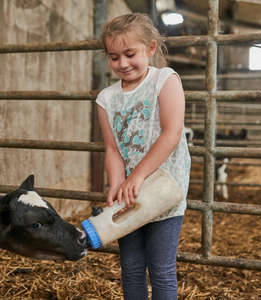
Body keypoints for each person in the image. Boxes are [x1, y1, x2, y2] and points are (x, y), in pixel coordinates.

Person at [96, 13, 191, 299]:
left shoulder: (165, 80)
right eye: (114, 57)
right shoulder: (106, 99)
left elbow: (172, 133)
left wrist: (137, 176)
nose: (122, 64)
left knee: (161, 269)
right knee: (132, 267)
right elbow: (112, 149)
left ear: (150, 48)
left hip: (164, 189)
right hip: (127, 193)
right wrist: (116, 184)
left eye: (130, 54)